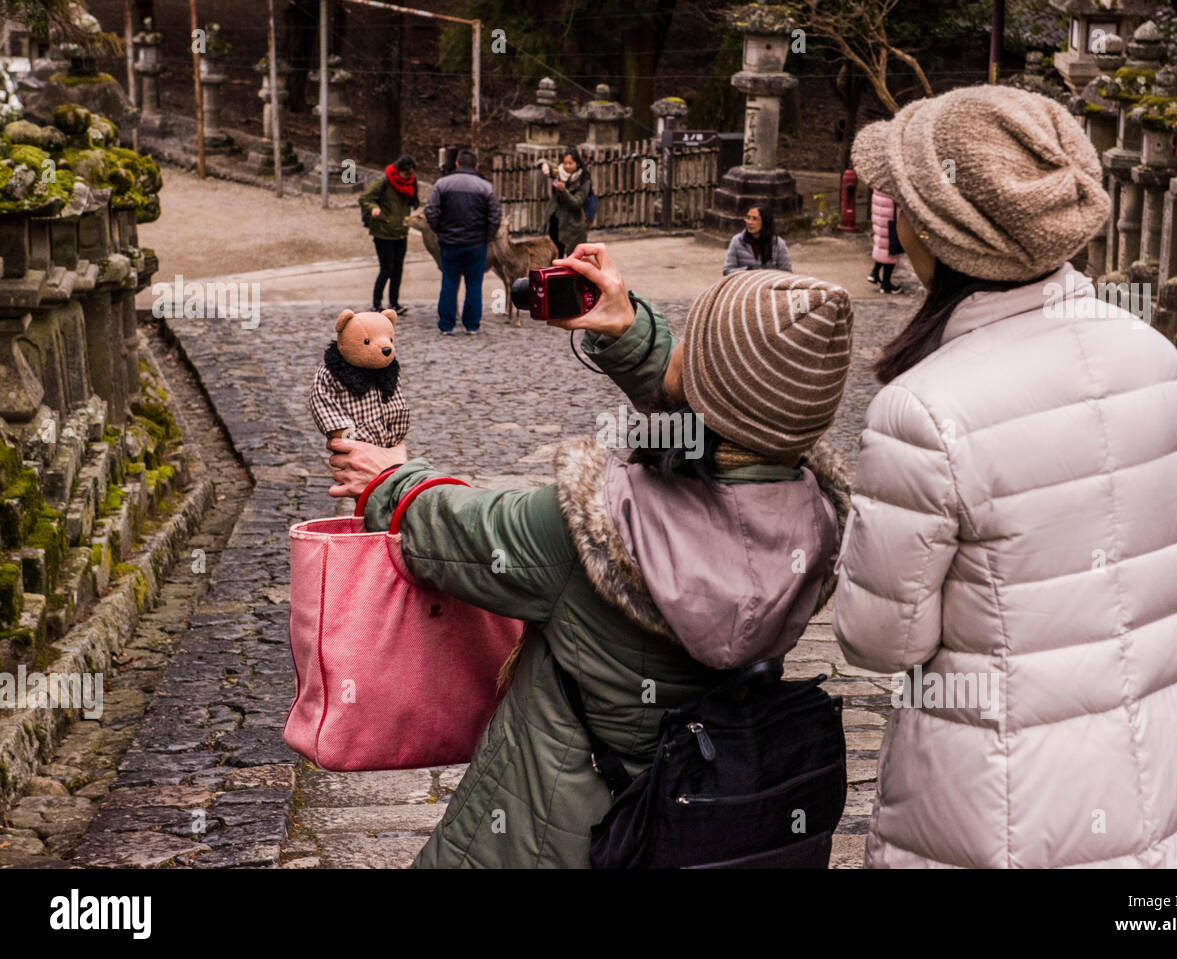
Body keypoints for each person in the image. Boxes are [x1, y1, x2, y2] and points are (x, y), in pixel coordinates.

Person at [325, 251, 855, 868]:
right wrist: (632, 331)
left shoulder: (594, 527)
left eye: (691, 342)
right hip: (678, 819)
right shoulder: (811, 525)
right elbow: (737, 419)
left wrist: (389, 476)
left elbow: (450, 533)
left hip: (542, 833)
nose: (678, 347)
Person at [834, 85, 1177, 868]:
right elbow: (1174, 535)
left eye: (904, 203)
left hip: (998, 809)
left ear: (943, 233)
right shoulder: (1154, 356)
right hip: (1162, 783)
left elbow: (881, 638)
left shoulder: (924, 408)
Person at [425, 150, 502, 336]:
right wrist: (487, 237)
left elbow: (430, 211)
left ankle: (446, 324)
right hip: (476, 243)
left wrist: (440, 231)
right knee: (474, 285)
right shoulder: (485, 187)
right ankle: (472, 324)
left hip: (449, 242)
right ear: (476, 166)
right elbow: (495, 216)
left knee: (449, 284)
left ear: (457, 164)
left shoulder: (442, 184)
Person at [359, 154, 419, 316]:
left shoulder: (410, 183)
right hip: (383, 233)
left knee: (398, 270)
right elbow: (364, 198)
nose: (410, 177)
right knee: (386, 269)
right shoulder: (383, 181)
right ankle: (376, 303)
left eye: (411, 174)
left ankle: (394, 303)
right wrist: (373, 208)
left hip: (400, 232)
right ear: (398, 171)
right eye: (406, 174)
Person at [541, 148, 592, 258]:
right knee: (556, 258)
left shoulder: (584, 180)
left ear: (577, 163)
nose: (567, 166)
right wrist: (543, 164)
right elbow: (543, 162)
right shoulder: (559, 172)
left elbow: (576, 203)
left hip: (573, 227)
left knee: (573, 259)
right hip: (556, 222)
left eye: (570, 163)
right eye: (565, 163)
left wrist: (563, 191)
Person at [723, 205, 792, 275]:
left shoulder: (778, 243)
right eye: (748, 218)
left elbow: (786, 272)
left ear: (765, 221)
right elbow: (727, 270)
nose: (749, 222)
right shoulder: (737, 241)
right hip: (745, 283)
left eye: (754, 219)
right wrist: (748, 271)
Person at [867, 189, 903, 294]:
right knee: (891, 249)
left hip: (879, 210)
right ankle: (886, 284)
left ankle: (874, 274)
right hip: (890, 214)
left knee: (882, 245)